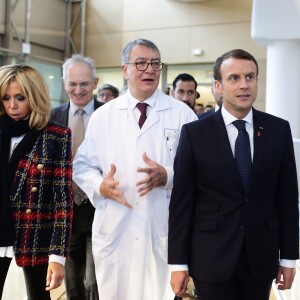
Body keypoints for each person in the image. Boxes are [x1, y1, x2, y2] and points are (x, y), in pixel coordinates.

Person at [168, 49, 299, 300]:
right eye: (234, 78)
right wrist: (178, 263)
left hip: (261, 257)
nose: (244, 85)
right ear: (218, 86)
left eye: (250, 77)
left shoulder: (278, 130)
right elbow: (182, 203)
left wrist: (289, 257)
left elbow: (287, 199)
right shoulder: (195, 133)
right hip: (210, 257)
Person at [73, 38, 198, 300]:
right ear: (125, 69)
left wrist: (168, 175)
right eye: (140, 63)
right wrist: (99, 186)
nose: (149, 70)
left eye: (155, 63)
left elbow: (202, 168)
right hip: (115, 230)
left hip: (162, 230)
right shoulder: (104, 116)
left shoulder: (182, 115)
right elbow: (82, 165)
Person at [0, 64, 73, 300]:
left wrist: (57, 256)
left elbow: (63, 201)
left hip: (34, 235)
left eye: (20, 97)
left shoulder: (55, 135)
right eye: (6, 98)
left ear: (35, 96)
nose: (13, 105)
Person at [51, 54, 102, 300]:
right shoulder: (51, 118)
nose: (78, 90)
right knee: (72, 286)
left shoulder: (110, 116)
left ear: (95, 82)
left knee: (94, 282)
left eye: (84, 83)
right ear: (64, 83)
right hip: (65, 214)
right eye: (73, 84)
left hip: (100, 209)